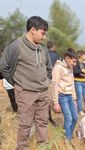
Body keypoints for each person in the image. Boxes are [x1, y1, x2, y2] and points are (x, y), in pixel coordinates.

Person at [0, 16, 52, 150]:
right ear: (33, 30)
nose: (44, 37)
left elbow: (48, 68)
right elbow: (4, 67)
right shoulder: (16, 46)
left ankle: (43, 147)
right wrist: (17, 83)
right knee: (25, 124)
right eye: (43, 33)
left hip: (43, 92)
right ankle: (22, 147)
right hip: (25, 92)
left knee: (42, 122)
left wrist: (47, 81)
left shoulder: (43, 48)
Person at [52, 48, 78, 141]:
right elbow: (54, 84)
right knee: (69, 118)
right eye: (73, 61)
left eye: (76, 62)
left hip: (70, 96)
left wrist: (74, 99)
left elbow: (72, 84)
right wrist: (56, 102)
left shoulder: (70, 68)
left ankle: (68, 135)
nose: (75, 64)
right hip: (61, 96)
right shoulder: (58, 68)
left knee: (75, 117)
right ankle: (67, 140)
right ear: (67, 58)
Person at [73, 50, 85, 116]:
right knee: (79, 97)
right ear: (80, 56)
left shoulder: (84, 64)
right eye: (84, 55)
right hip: (78, 82)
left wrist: (84, 74)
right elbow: (75, 71)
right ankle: (80, 110)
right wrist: (82, 72)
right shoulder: (75, 63)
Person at [47, 41, 60, 126]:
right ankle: (50, 117)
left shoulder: (43, 53)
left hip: (44, 78)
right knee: (51, 98)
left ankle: (48, 117)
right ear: (53, 46)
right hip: (52, 78)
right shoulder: (55, 55)